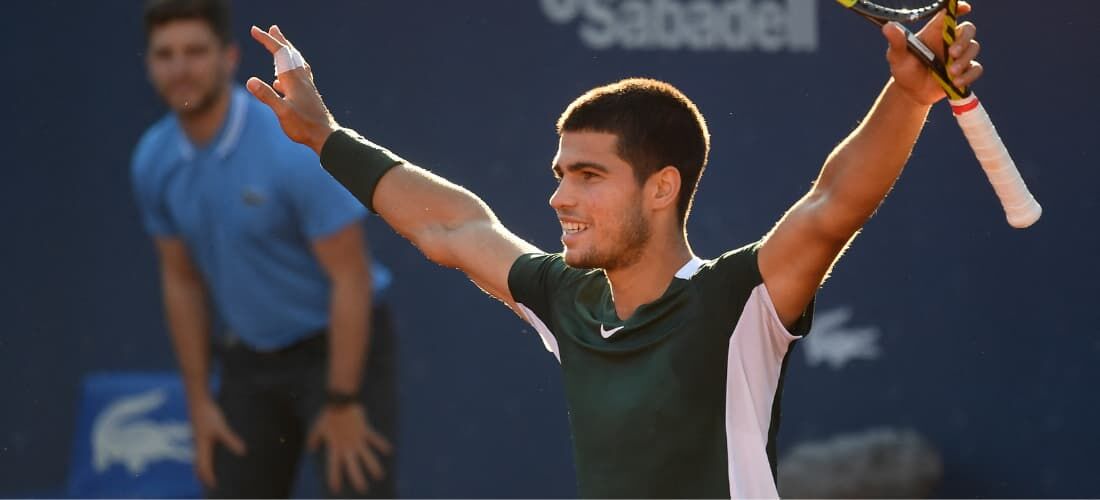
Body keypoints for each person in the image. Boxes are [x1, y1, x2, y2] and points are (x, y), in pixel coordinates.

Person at [243, 2, 984, 497]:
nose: (560, 198)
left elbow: (831, 206)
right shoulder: (567, 302)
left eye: (588, 176)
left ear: (661, 189)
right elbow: (453, 229)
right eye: (560, 175)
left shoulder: (735, 302)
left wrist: (911, 96)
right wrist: (326, 139)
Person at [130, 0, 397, 497]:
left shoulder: (286, 146)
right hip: (248, 357)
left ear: (228, 58)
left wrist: (341, 400)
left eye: (194, 51)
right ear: (149, 65)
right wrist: (198, 400)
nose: (180, 68)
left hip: (335, 351)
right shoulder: (152, 159)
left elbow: (351, 277)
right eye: (165, 55)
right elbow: (181, 280)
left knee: (356, 488)